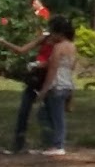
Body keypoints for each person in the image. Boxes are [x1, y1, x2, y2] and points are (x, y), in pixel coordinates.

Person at [0, 19, 55, 154]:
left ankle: (51, 144)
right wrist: (3, 41)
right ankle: (19, 143)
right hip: (36, 77)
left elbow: (54, 62)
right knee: (24, 110)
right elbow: (22, 50)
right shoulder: (44, 38)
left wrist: (38, 64)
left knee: (47, 113)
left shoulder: (60, 44)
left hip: (49, 77)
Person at [33, 17, 77, 156]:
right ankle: (49, 144)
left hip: (57, 85)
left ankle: (58, 145)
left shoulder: (58, 47)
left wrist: (44, 90)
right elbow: (72, 67)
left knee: (56, 117)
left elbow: (52, 69)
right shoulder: (72, 46)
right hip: (67, 84)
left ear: (59, 33)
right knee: (46, 114)